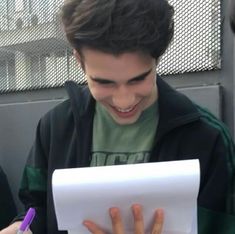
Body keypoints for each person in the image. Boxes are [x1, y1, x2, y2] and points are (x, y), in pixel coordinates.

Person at [1, 0, 235, 233]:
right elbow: (35, 209)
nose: (124, 101)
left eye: (138, 79)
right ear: (79, 61)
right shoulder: (54, 127)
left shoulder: (208, 139)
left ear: (157, 59)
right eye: (104, 82)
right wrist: (20, 227)